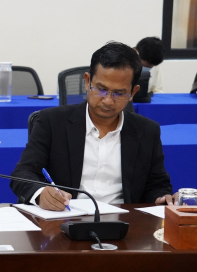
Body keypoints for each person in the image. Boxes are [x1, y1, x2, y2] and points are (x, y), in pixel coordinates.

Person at [11, 41, 176, 211]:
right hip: (64, 218)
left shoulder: (147, 131)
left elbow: (157, 185)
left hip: (124, 220)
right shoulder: (51, 122)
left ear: (133, 92)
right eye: (101, 89)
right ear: (87, 81)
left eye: (118, 93)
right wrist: (40, 193)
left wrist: (162, 198)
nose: (108, 101)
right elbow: (23, 173)